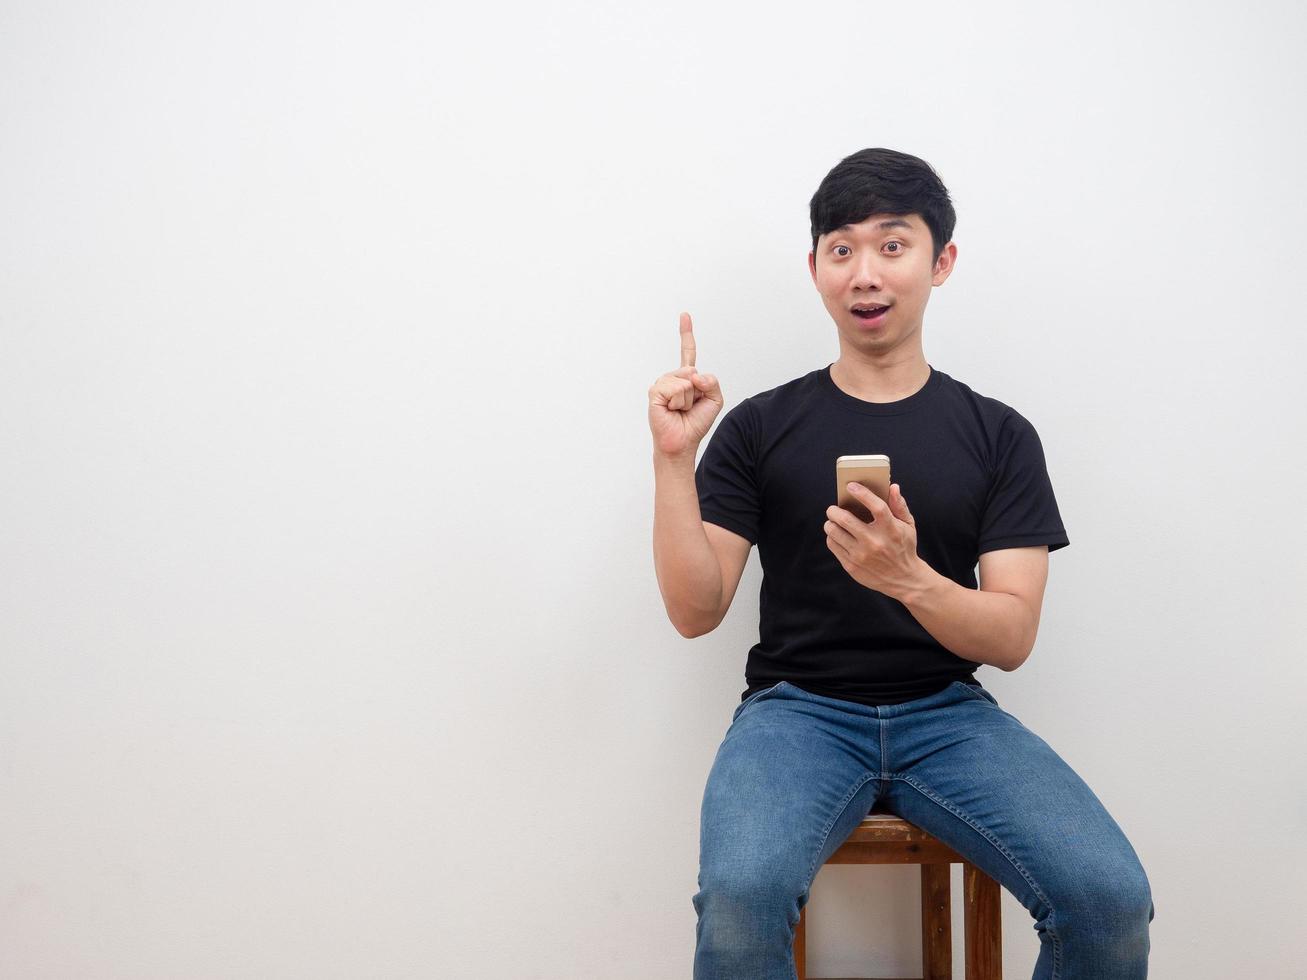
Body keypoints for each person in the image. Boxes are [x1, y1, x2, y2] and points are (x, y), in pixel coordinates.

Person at [647, 147, 1154, 980]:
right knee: (739, 900)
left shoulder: (998, 435)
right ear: (814, 268)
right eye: (840, 249)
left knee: (1107, 901)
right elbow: (694, 611)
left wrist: (905, 579)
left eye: (892, 244)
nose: (864, 273)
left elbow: (1012, 633)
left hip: (947, 715)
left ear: (939, 261)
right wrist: (673, 459)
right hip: (795, 713)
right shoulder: (758, 426)